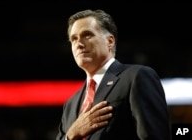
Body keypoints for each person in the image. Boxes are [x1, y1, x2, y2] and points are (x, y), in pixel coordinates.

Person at [56, 9, 171, 140]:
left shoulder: (136, 77)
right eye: (74, 39)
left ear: (110, 41)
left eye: (87, 35)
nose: (79, 44)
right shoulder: (71, 104)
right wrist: (71, 134)